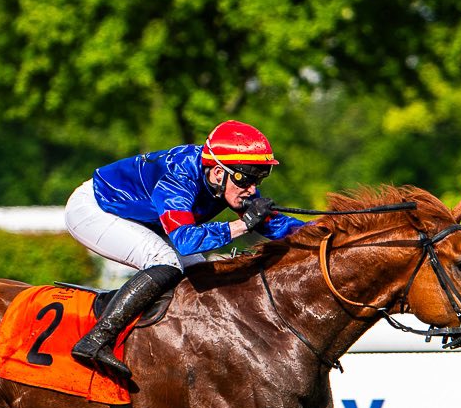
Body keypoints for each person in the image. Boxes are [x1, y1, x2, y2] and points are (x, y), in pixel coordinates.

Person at [64, 120, 304, 383]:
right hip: (95, 210)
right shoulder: (177, 177)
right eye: (246, 178)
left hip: (145, 218)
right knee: (165, 262)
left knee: (202, 275)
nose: (253, 189)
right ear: (217, 173)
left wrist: (330, 230)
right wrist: (244, 224)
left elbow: (278, 227)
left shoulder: (224, 179)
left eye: (258, 179)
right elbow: (185, 242)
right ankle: (96, 340)